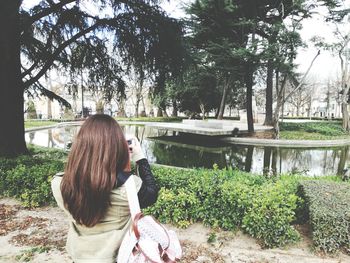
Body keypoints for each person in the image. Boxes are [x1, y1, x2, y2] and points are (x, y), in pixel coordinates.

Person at [51, 114, 158, 263]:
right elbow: (152, 193)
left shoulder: (59, 184)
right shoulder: (129, 188)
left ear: (80, 146)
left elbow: (93, 180)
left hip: (79, 255)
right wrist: (139, 157)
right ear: (116, 148)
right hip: (115, 258)